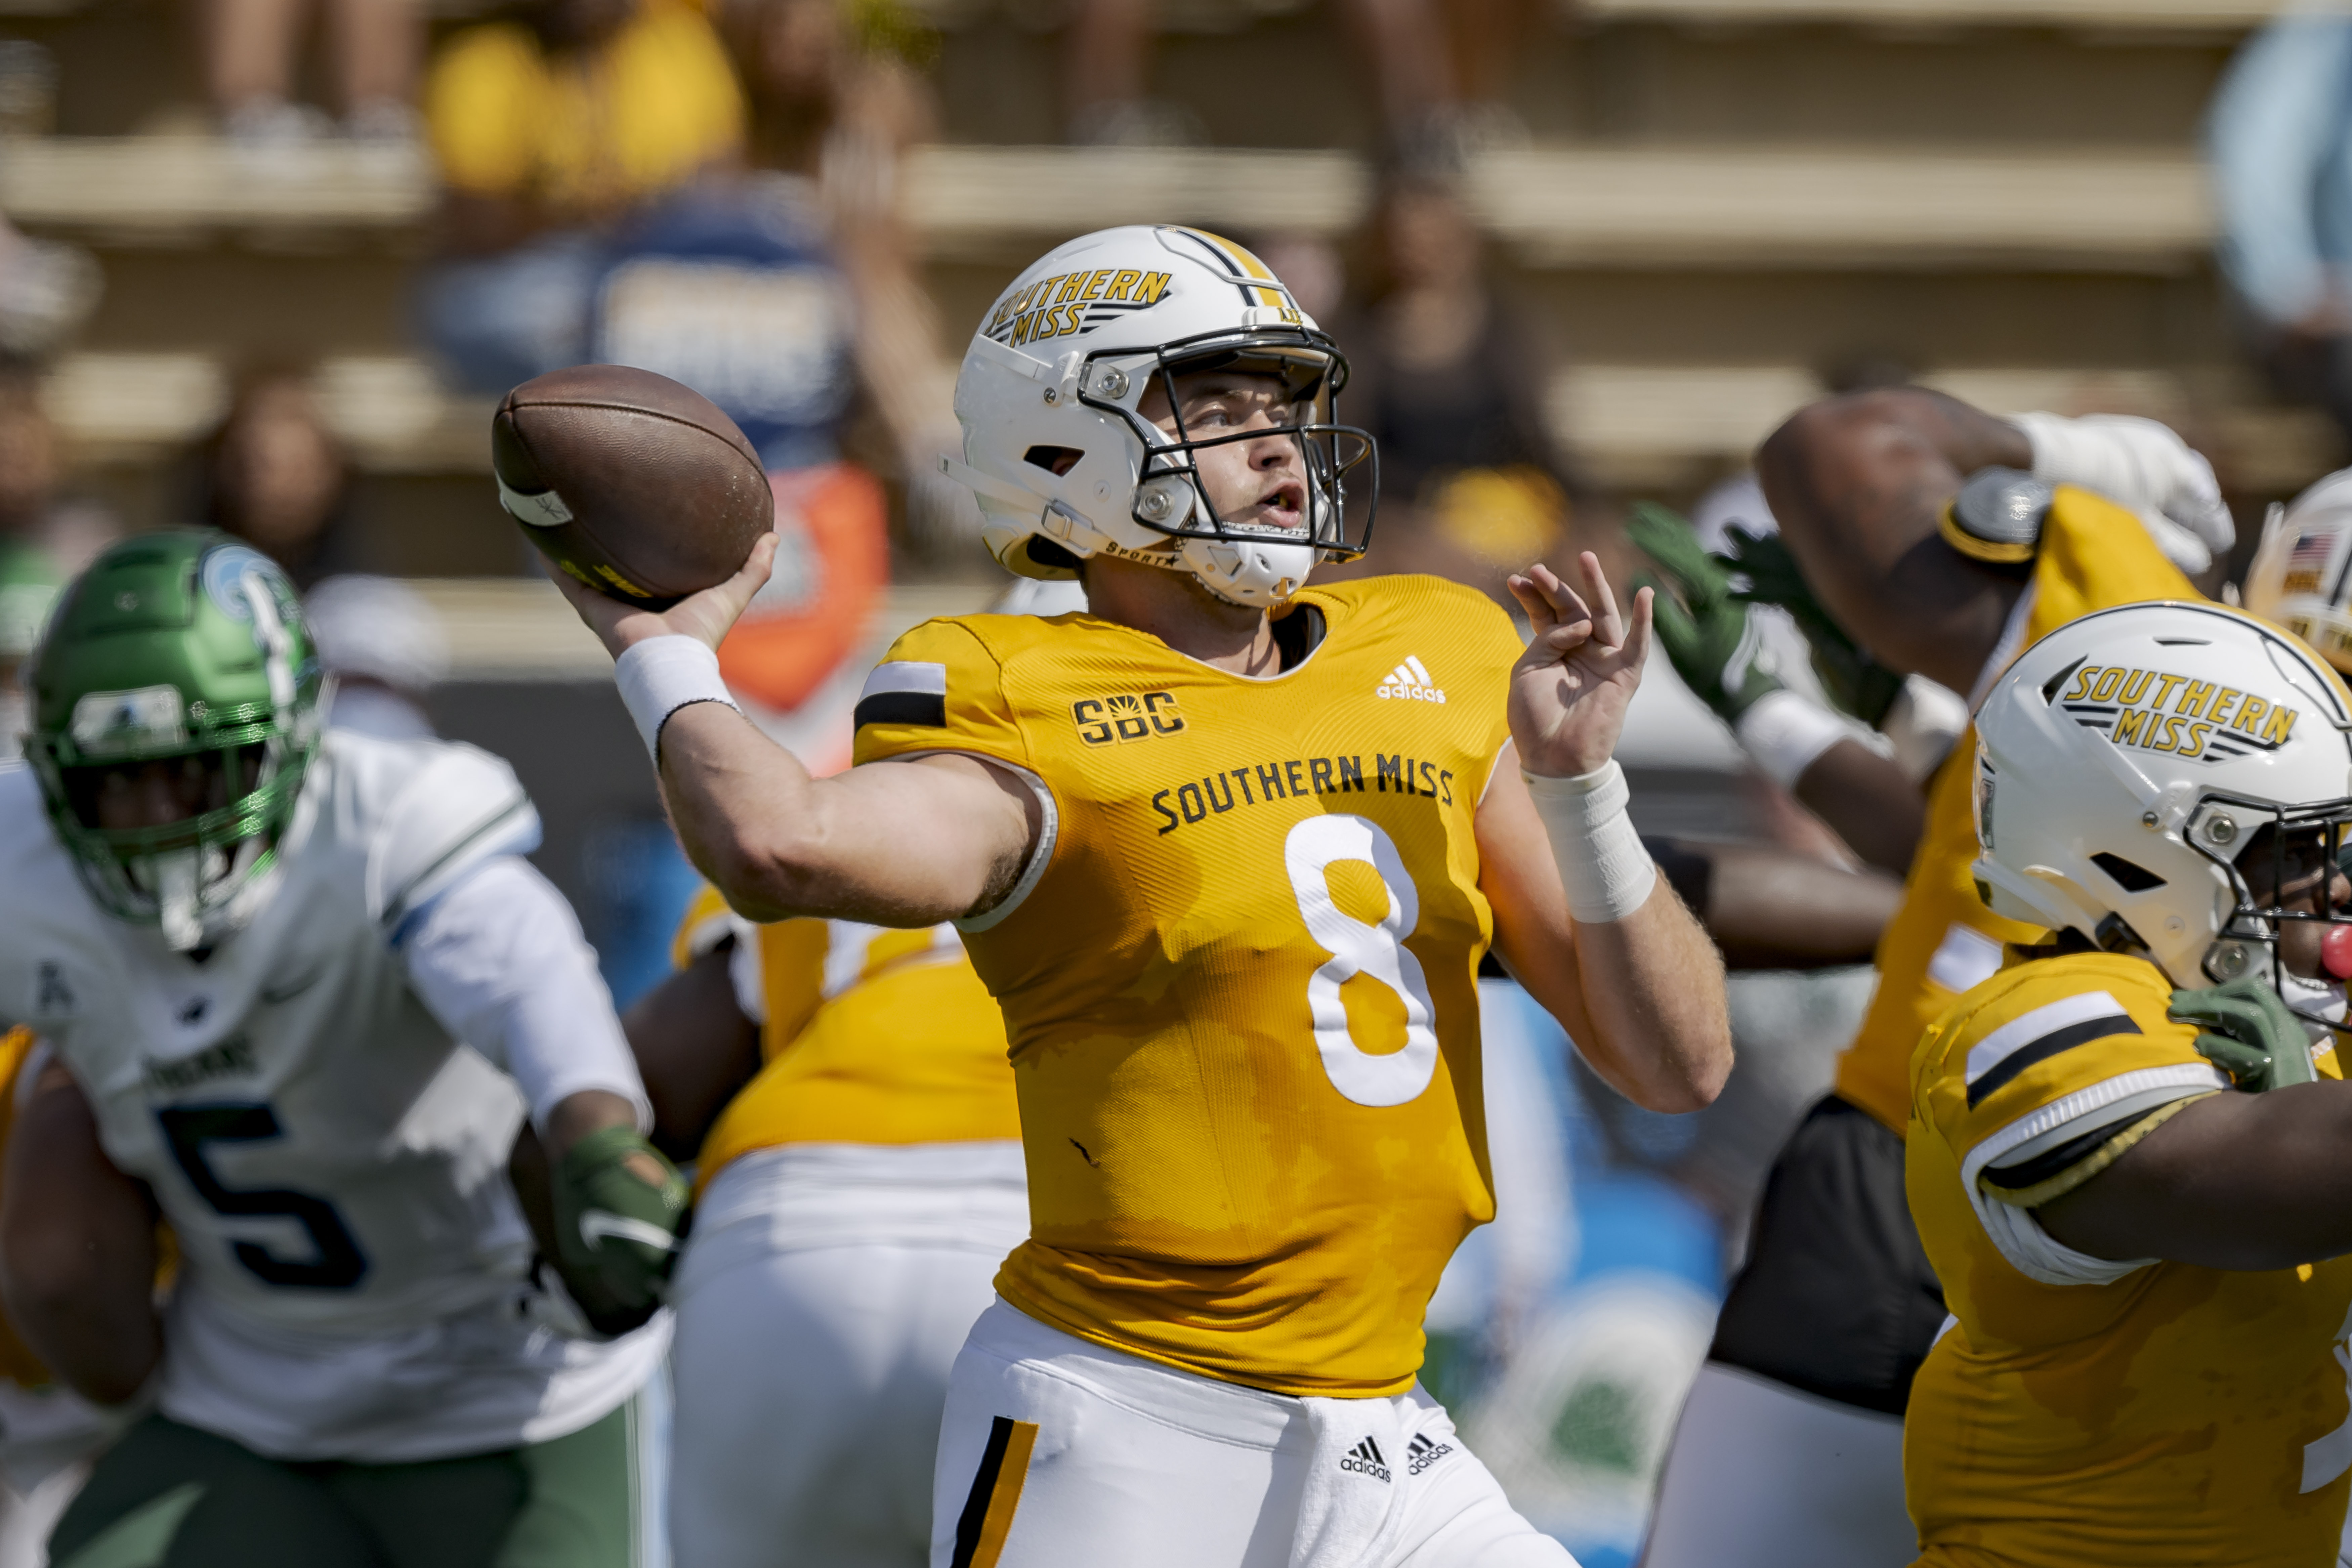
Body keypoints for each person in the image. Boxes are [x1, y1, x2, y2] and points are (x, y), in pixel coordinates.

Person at [540, 222, 1730, 1567]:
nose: (1280, 447)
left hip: (1384, 1423)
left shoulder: (1442, 646)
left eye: (1286, 408)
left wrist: (1582, 790)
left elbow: (1677, 1060)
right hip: (1132, 1422)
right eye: (1219, 412)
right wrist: (661, 648)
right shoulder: (1014, 692)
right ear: (1063, 451)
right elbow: (778, 841)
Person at [0, 532, 685, 1566]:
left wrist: (593, 1130)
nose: (151, 821)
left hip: (502, 1387)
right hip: (249, 1394)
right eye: (116, 783)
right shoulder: (28, 856)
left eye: (191, 774)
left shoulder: (386, 817)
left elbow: (529, 977)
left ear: (284, 740)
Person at [1638, 390, 2237, 1568]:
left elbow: (1829, 446)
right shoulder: (2216, 704)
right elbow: (1964, 865)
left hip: (1934, 1157)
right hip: (2146, 1197)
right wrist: (1782, 718)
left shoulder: (2136, 608)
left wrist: (2104, 458)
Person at [1908, 598, 2352, 1562]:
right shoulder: (2039, 1019)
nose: (2339, 887)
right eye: (2299, 852)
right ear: (2141, 851)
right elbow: (2261, 1191)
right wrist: (2296, 1115)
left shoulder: (2299, 1028)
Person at [635, 889, 1023, 1568]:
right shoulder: (1204, 814)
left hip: (784, 1237)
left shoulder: (812, 814)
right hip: (1030, 1238)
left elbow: (646, 1082)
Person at [415, 0, 744, 394]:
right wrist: (584, 213)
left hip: (651, 267)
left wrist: (639, 217)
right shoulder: (484, 60)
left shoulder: (678, 44)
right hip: (525, 277)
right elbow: (478, 224)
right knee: (539, 319)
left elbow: (723, 184)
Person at [191, 368, 358, 589]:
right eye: (257, 467)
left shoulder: (363, 604)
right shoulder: (190, 584)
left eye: (298, 468)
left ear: (333, 471)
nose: (277, 490)